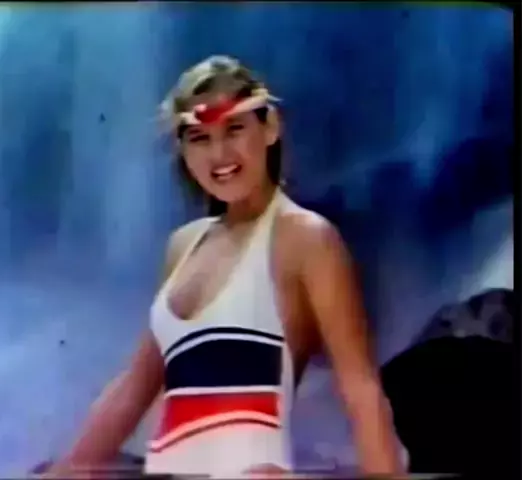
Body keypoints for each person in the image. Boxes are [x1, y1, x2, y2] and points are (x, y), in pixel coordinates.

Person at [48, 55, 405, 477]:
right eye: (199, 138)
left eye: (235, 129)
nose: (219, 154)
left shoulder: (306, 239)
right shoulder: (183, 246)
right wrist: (66, 470)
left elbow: (361, 391)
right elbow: (134, 387)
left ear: (270, 128)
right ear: (183, 150)